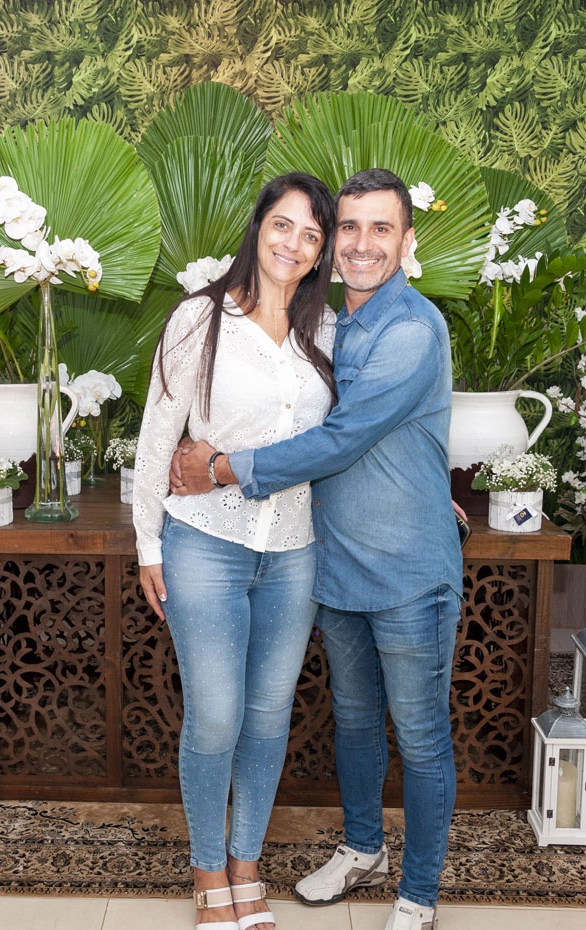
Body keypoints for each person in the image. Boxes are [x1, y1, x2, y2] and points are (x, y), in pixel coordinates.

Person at [172, 168, 464, 930]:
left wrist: (225, 468)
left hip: (408, 574)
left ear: (407, 241)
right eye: (350, 228)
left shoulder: (412, 329)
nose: (362, 244)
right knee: (356, 724)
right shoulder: (328, 325)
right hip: (333, 567)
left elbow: (341, 439)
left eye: (381, 229)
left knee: (421, 739)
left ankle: (418, 894)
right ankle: (363, 848)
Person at [132, 172, 339, 930]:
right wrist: (147, 543)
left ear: (320, 253)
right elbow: (158, 435)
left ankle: (247, 860)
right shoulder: (201, 318)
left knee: (269, 715)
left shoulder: (327, 330)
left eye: (311, 235)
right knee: (216, 717)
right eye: (283, 225)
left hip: (294, 549)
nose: (294, 243)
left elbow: (342, 439)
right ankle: (207, 868)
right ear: (258, 228)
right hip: (205, 544)